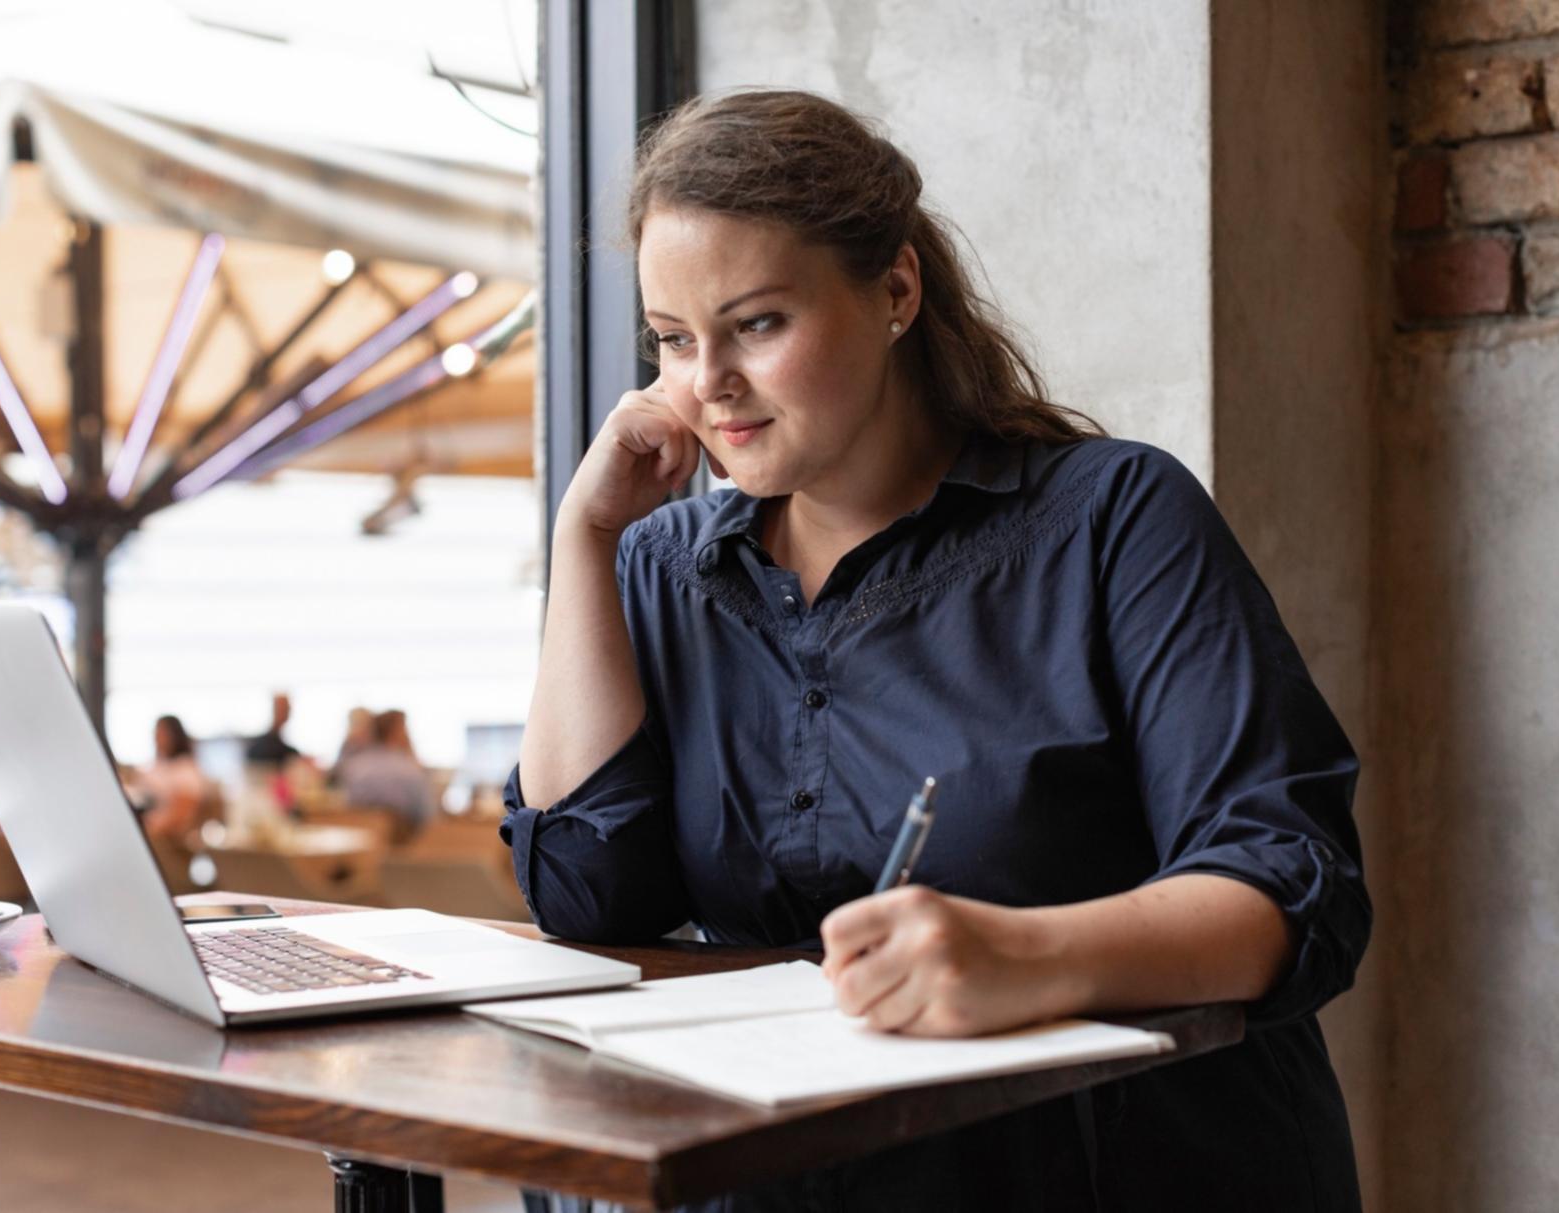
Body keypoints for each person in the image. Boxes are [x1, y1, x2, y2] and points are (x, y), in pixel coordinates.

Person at [505, 90, 1370, 1212]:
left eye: (756, 324)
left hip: (1114, 1170)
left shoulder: (1112, 519)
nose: (707, 381)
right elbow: (586, 894)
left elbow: (1292, 885)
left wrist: (1030, 955)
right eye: (673, 340)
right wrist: (585, 540)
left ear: (896, 291)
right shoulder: (664, 565)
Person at [336, 710, 432, 829]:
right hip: (401, 842)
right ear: (398, 733)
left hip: (360, 835)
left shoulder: (354, 767)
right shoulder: (410, 771)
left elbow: (347, 806)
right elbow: (427, 817)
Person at [135, 715, 209, 844]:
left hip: (166, 841)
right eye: (156, 732)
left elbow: (181, 814)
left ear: (175, 736)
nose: (157, 737)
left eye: (162, 733)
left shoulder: (186, 770)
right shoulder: (154, 767)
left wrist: (150, 830)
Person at [243, 692, 301, 767]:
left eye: (287, 709)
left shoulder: (289, 751)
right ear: (274, 709)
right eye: (282, 708)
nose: (286, 712)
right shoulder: (257, 747)